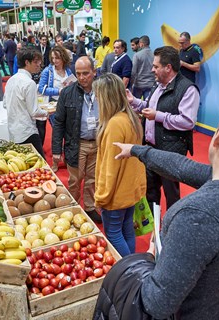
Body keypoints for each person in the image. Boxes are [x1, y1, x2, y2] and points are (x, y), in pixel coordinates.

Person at [94, 101, 219, 319]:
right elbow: (184, 167)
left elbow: (157, 303)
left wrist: (149, 259)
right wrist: (137, 150)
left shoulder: (197, 216)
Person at [127, 46, 200, 210]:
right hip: (151, 149)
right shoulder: (158, 85)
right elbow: (150, 107)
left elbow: (187, 122)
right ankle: (155, 230)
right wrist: (134, 102)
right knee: (151, 191)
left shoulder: (188, 89)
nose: (152, 70)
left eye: (155, 66)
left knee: (171, 194)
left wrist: (158, 116)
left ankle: (171, 230)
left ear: (168, 67)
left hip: (171, 151)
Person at [93, 73, 146, 256]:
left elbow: (110, 168)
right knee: (126, 230)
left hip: (116, 194)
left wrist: (101, 197)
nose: (96, 100)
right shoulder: (130, 118)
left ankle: (128, 270)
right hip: (129, 190)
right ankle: (133, 267)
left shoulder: (114, 124)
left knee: (114, 234)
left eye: (98, 95)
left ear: (106, 97)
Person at [52, 56, 102, 223]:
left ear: (94, 72)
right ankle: (73, 208)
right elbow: (58, 122)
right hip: (76, 144)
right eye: (78, 74)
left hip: (97, 143)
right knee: (75, 180)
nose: (81, 77)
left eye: (86, 73)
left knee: (92, 180)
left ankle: (89, 208)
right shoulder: (67, 93)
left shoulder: (103, 91)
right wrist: (56, 149)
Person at [3, 47, 47, 158]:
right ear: (27, 62)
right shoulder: (29, 83)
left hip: (13, 130)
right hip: (27, 131)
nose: (39, 65)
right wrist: (47, 112)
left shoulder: (11, 80)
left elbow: (5, 104)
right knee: (40, 165)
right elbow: (34, 112)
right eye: (36, 62)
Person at [38, 46, 73, 150]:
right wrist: (58, 91)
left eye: (57, 58)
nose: (54, 60)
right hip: (53, 104)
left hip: (67, 103)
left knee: (68, 129)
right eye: (53, 58)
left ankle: (66, 151)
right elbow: (41, 89)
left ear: (63, 57)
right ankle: (57, 154)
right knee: (57, 130)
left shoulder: (68, 70)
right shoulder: (47, 71)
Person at [131, 35, 154, 100]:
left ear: (141, 44)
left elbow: (133, 72)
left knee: (134, 106)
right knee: (148, 106)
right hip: (151, 84)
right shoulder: (154, 55)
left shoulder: (137, 55)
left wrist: (131, 84)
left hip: (139, 85)